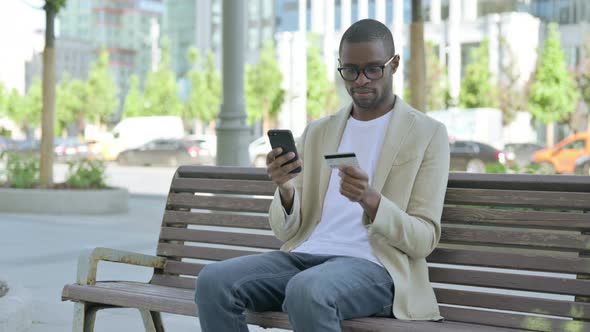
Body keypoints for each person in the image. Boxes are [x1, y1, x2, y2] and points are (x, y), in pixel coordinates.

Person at [195, 19, 450, 332]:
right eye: (350, 70)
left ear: (394, 64)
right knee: (213, 281)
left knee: (308, 290)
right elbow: (285, 232)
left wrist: (371, 200)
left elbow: (424, 239)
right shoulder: (318, 132)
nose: (360, 80)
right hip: (304, 256)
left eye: (373, 69)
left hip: (377, 268)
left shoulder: (427, 134)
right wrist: (286, 189)